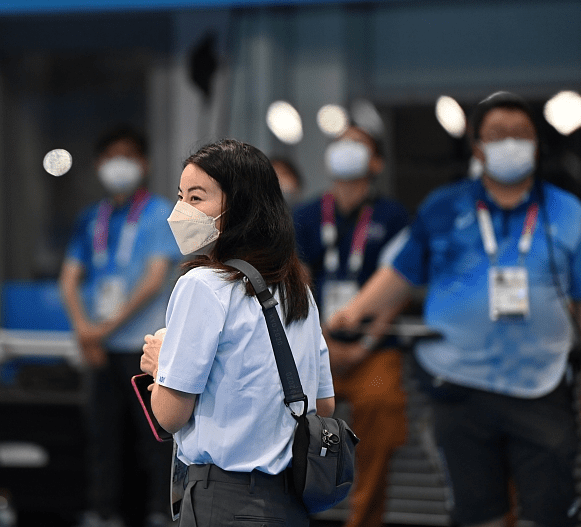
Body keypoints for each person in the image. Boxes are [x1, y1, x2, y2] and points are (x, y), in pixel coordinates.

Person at [330, 91, 581, 527]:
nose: (508, 143)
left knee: (550, 514)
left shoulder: (567, 211)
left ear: (538, 145)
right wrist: (351, 314)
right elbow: (400, 274)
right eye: (496, 135)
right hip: (458, 385)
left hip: (541, 385)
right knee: (475, 514)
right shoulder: (443, 206)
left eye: (519, 134)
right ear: (477, 147)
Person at [139, 139, 335, 527]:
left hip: (223, 500)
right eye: (181, 196)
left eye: (197, 198)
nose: (181, 211)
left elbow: (171, 416)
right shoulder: (297, 290)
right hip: (290, 502)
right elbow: (323, 407)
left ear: (241, 207)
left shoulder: (203, 284)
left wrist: (162, 366)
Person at [59, 127, 181, 527]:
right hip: (99, 346)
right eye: (111, 156)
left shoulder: (159, 212)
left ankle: (162, 513)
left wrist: (101, 329)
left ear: (143, 164)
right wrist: (84, 331)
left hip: (144, 347)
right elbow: (69, 279)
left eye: (128, 155)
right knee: (101, 437)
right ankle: (103, 512)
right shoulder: (91, 217)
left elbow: (152, 281)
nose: (119, 164)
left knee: (155, 438)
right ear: (98, 165)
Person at [291, 121, 410, 527]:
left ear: (375, 162)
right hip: (314, 345)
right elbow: (295, 284)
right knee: (288, 416)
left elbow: (399, 288)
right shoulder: (305, 214)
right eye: (341, 144)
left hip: (372, 349)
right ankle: (288, 513)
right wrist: (322, 339)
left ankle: (365, 520)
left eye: (358, 145)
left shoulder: (393, 216)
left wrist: (363, 347)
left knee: (382, 406)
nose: (347, 150)